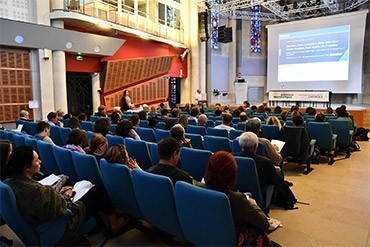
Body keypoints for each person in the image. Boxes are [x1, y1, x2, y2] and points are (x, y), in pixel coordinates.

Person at [3, 146, 127, 245]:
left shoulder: (11, 183)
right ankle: (114, 224)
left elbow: (47, 205)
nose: (40, 161)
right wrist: (67, 195)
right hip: (63, 224)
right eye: (36, 160)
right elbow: (64, 210)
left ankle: (107, 223)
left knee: (90, 191)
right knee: (98, 190)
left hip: (47, 221)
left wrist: (59, 194)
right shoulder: (35, 190)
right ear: (27, 168)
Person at [204, 151, 272, 247]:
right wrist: (254, 205)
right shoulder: (238, 199)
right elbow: (264, 224)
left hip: (207, 234)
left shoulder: (196, 187)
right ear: (232, 174)